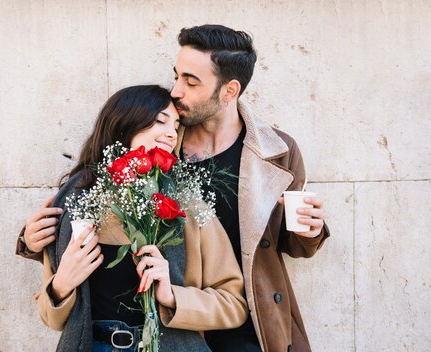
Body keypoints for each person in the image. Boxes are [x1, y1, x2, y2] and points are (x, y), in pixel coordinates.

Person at [18, 25, 330, 352]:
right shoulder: (159, 150)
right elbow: (90, 253)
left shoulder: (276, 152)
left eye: (191, 81)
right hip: (164, 328)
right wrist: (34, 240)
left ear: (229, 90)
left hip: (243, 321)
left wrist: (311, 232)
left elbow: (286, 244)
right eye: (177, 76)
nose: (176, 90)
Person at [33, 85, 248, 352]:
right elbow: (51, 320)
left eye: (177, 124)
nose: (172, 133)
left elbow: (234, 304)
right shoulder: (74, 206)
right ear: (125, 123)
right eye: (160, 121)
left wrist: (173, 297)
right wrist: (62, 284)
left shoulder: (189, 206)